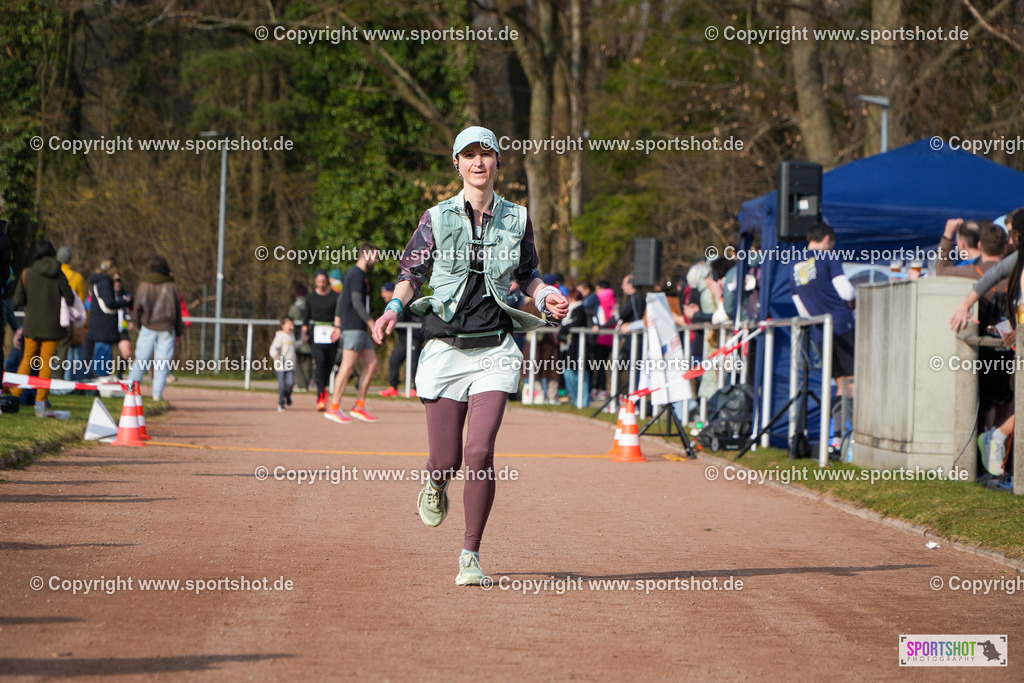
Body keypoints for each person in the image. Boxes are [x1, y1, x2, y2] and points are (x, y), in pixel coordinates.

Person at [373, 125, 567, 586]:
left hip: (496, 349)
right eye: (469, 155)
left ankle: (470, 555)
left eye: (487, 154)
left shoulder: (517, 218)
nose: (479, 163)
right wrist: (393, 308)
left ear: (499, 163)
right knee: (447, 459)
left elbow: (529, 274)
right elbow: (412, 273)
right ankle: (436, 481)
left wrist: (546, 297)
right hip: (444, 348)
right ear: (456, 163)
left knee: (479, 451)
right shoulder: (436, 218)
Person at [788, 222, 856, 443]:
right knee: (851, 384)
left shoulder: (794, 266)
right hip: (842, 326)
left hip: (821, 331)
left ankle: (836, 439)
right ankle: (850, 438)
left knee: (838, 384)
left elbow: (802, 310)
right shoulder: (828, 258)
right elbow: (846, 292)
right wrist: (854, 300)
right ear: (827, 239)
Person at [11, 240, 75, 416]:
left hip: (31, 325)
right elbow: (69, 298)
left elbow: (18, 301)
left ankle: (15, 397)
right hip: (52, 327)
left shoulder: (27, 273)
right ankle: (40, 403)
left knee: (27, 359)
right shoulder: (59, 272)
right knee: (46, 363)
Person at [324, 243, 380, 424]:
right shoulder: (356, 274)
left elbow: (343, 299)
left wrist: (337, 322)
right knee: (347, 367)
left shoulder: (359, 275)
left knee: (372, 364)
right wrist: (372, 324)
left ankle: (359, 406)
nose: (378, 260)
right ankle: (333, 407)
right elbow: (356, 303)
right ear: (368, 254)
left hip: (359, 328)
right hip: (355, 327)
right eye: (376, 256)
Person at [127, 256, 184, 402]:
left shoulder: (144, 284)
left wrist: (138, 323)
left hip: (148, 326)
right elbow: (178, 311)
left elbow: (138, 306)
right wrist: (178, 331)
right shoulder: (172, 286)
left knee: (141, 360)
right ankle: (157, 394)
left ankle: (131, 390)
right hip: (167, 328)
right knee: (162, 362)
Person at [86, 257, 131, 379]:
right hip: (105, 326)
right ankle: (102, 381)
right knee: (103, 355)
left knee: (102, 354)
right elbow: (109, 302)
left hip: (100, 325)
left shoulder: (98, 281)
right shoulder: (105, 282)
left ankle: (100, 379)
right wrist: (123, 301)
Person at [301, 269, 339, 411]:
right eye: (319, 281)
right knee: (320, 364)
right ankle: (320, 397)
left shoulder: (335, 296)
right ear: (315, 281)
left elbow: (338, 315)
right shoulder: (310, 298)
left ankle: (324, 388)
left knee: (328, 365)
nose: (322, 284)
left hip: (332, 335)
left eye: (324, 281)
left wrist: (338, 328)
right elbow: (306, 318)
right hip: (316, 336)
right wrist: (304, 333)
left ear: (327, 281)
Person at [379, 282, 422, 398]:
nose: (383, 295)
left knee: (414, 364)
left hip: (414, 336)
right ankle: (393, 387)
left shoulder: (404, 303)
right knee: (394, 360)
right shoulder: (391, 306)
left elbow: (402, 318)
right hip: (404, 339)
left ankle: (416, 389)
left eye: (385, 292)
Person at [287, 280, 313, 392]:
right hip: (310, 337)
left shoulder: (294, 307)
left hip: (297, 337)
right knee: (308, 361)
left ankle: (300, 384)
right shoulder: (311, 303)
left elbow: (290, 320)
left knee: (297, 361)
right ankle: (306, 384)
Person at [270, 315, 297, 411]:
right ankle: (281, 403)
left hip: (291, 365)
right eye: (289, 325)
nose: (291, 327)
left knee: (290, 383)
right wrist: (275, 355)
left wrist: (303, 341)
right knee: (282, 385)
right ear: (283, 325)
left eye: (292, 325)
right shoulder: (280, 336)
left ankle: (288, 396)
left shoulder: (292, 336)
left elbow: (294, 346)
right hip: (280, 365)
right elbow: (273, 349)